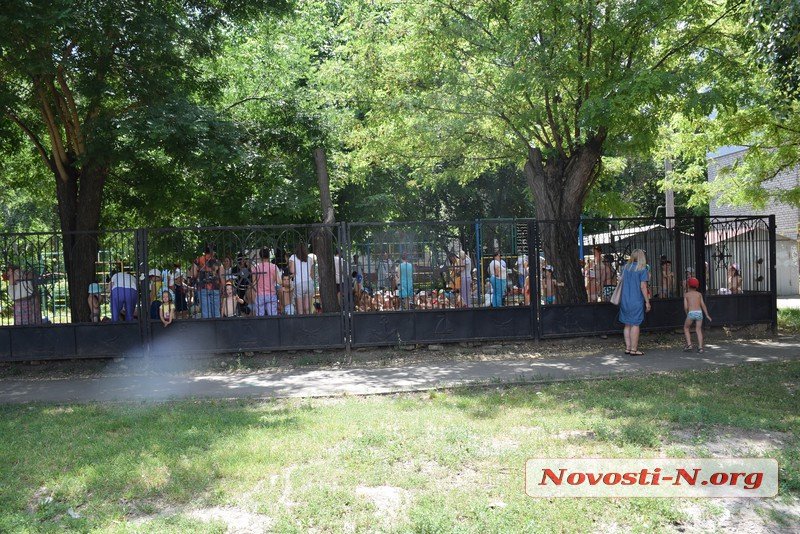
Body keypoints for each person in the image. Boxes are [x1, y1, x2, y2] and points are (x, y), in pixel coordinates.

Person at [618, 249, 651, 356]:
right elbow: (643, 287)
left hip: (625, 300)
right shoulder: (642, 269)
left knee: (627, 324)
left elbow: (621, 280)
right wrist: (647, 302)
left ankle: (628, 348)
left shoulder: (625, 268)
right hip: (636, 300)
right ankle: (634, 349)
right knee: (635, 324)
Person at [190, 245, 222, 319]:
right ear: (213, 252)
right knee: (216, 312)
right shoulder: (217, 262)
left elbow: (193, 274)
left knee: (206, 312)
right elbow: (221, 276)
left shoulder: (198, 260)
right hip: (215, 287)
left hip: (202, 287)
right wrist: (223, 287)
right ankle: (217, 325)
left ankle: (208, 326)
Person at [683, 277, 712, 353]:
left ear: (688, 285)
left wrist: (687, 314)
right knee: (698, 330)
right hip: (699, 313)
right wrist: (707, 315)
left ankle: (689, 345)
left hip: (691, 313)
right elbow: (703, 305)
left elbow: (685, 307)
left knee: (686, 328)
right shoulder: (699, 294)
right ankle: (700, 348)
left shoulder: (686, 295)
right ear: (697, 286)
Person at [251, 247, 281, 316]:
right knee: (272, 316)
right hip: (271, 294)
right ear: (269, 255)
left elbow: (254, 283)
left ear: (260, 256)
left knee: (260, 317)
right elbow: (279, 282)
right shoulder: (273, 267)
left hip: (260, 295)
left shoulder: (256, 268)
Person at [289, 243, 314, 315]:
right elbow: (312, 274)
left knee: (300, 310)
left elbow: (292, 271)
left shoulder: (293, 257)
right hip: (309, 283)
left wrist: (290, 265)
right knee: (308, 309)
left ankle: (301, 321)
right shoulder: (309, 259)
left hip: (299, 283)